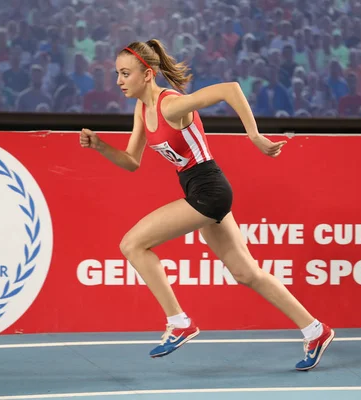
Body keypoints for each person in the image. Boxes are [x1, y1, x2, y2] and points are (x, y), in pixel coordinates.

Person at [79, 39, 334, 371]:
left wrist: (254, 136)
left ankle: (179, 321)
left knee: (132, 244)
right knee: (247, 272)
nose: (118, 81)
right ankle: (316, 330)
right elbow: (131, 161)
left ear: (148, 74)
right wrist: (100, 146)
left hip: (208, 190)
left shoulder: (171, 106)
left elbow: (230, 89)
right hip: (201, 191)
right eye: (117, 74)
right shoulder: (142, 110)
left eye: (125, 73)